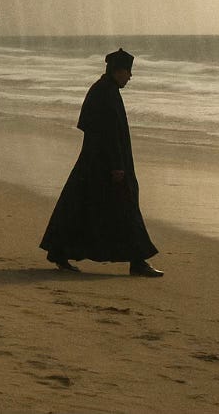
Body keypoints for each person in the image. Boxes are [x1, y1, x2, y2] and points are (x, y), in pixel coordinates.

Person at [39, 48, 163, 277]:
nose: (130, 77)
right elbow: (105, 133)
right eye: (128, 72)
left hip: (96, 164)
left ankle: (59, 252)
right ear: (118, 71)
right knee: (123, 208)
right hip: (106, 165)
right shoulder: (105, 92)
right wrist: (116, 165)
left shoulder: (105, 90)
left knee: (82, 207)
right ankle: (138, 261)